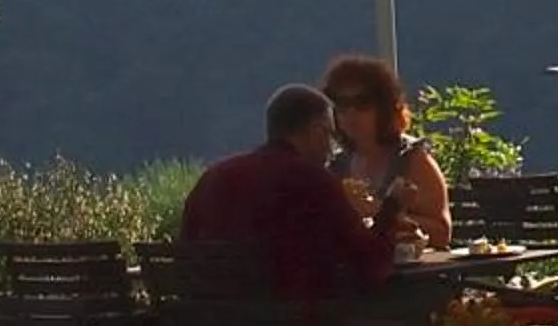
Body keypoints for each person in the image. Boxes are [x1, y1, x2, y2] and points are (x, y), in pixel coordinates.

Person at [182, 83, 400, 301]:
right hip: (297, 325)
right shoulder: (313, 180)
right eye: (331, 136)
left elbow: (187, 253)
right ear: (316, 131)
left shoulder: (214, 177)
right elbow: (372, 265)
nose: (332, 150)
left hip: (217, 321)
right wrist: (392, 206)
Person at [324, 53, 452, 251]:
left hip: (412, 277)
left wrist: (378, 210)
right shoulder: (337, 165)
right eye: (342, 104)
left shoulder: (412, 159)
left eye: (362, 103)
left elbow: (442, 233)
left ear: (385, 108)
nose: (351, 113)